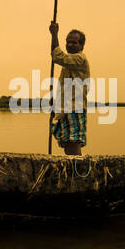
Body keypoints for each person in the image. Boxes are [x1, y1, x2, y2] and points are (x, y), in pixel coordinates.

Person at [48, 21, 90, 156]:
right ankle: (74, 172)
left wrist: (54, 34)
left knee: (73, 142)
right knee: (67, 143)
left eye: (74, 42)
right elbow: (66, 88)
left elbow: (57, 56)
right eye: (68, 42)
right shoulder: (69, 63)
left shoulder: (79, 59)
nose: (70, 45)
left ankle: (78, 172)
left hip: (74, 108)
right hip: (66, 108)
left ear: (82, 45)